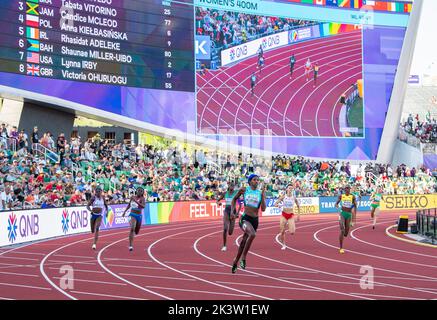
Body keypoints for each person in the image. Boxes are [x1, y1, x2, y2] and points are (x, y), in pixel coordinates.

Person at [231, 174, 266, 273]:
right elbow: (234, 199)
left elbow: (263, 209)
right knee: (252, 234)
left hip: (255, 220)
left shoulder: (260, 193)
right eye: (254, 180)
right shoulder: (244, 190)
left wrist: (263, 196)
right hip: (245, 218)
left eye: (258, 180)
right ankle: (243, 258)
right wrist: (232, 212)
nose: (256, 181)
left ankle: (235, 262)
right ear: (250, 181)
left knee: (243, 242)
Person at [274, 184, 300, 250]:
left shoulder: (294, 197)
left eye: (292, 188)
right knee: (282, 231)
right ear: (287, 189)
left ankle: (289, 225)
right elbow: (275, 203)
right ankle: (283, 245)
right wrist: (278, 205)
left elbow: (298, 205)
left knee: (292, 232)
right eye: (289, 188)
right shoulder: (283, 197)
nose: (290, 189)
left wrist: (298, 215)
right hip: (284, 215)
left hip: (290, 215)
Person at [216, 183, 239, 252]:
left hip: (233, 212)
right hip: (226, 211)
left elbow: (240, 201)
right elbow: (217, 200)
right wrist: (218, 203)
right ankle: (224, 246)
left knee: (230, 232)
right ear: (228, 186)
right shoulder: (225, 193)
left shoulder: (236, 193)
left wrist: (237, 213)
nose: (232, 187)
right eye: (230, 185)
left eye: (233, 185)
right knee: (225, 228)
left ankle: (230, 228)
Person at [122, 187, 146, 251]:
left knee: (136, 232)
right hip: (132, 214)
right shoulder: (133, 197)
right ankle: (130, 245)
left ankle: (133, 235)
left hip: (139, 216)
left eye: (141, 191)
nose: (139, 192)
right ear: (136, 191)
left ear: (142, 193)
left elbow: (143, 206)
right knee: (132, 228)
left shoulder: (142, 198)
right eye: (138, 190)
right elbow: (129, 205)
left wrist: (136, 201)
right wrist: (124, 212)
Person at [335, 185, 357, 254]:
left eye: (348, 188)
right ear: (344, 190)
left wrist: (354, 219)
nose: (347, 190)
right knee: (342, 229)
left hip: (349, 214)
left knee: (346, 233)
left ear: (350, 189)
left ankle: (344, 234)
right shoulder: (341, 196)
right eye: (346, 189)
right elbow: (336, 204)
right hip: (342, 213)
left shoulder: (353, 196)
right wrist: (338, 209)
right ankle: (341, 248)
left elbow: (355, 206)